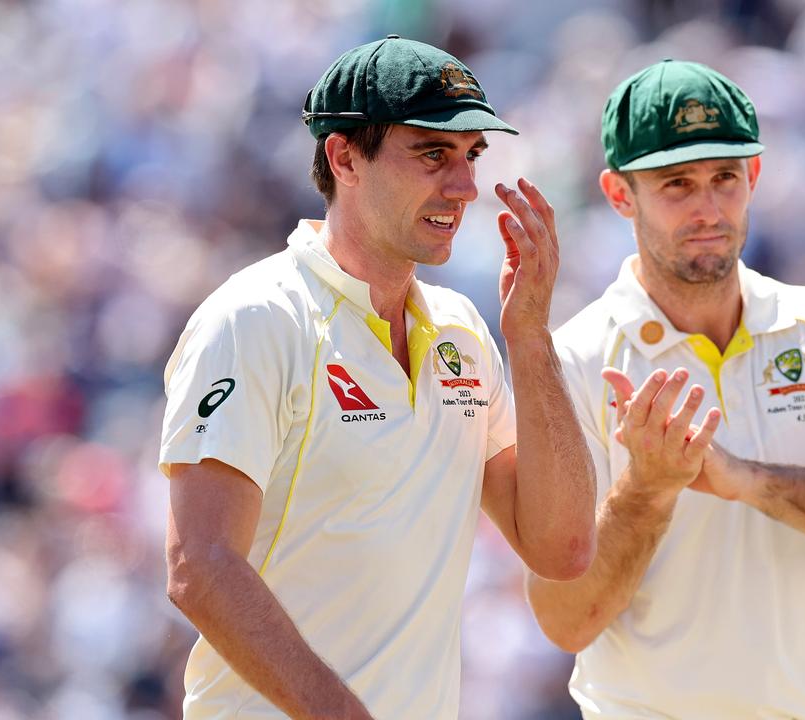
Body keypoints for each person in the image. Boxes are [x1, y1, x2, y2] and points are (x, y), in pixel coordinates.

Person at [158, 36, 596, 719]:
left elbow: (562, 548)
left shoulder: (464, 332)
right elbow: (200, 568)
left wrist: (531, 337)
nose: (464, 185)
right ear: (344, 157)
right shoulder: (256, 319)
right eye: (431, 154)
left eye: (469, 155)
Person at [525, 59, 805, 719]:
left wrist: (742, 479)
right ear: (619, 193)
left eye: (724, 179)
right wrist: (649, 488)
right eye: (677, 184)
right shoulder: (575, 359)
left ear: (755, 177)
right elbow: (563, 619)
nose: (708, 209)